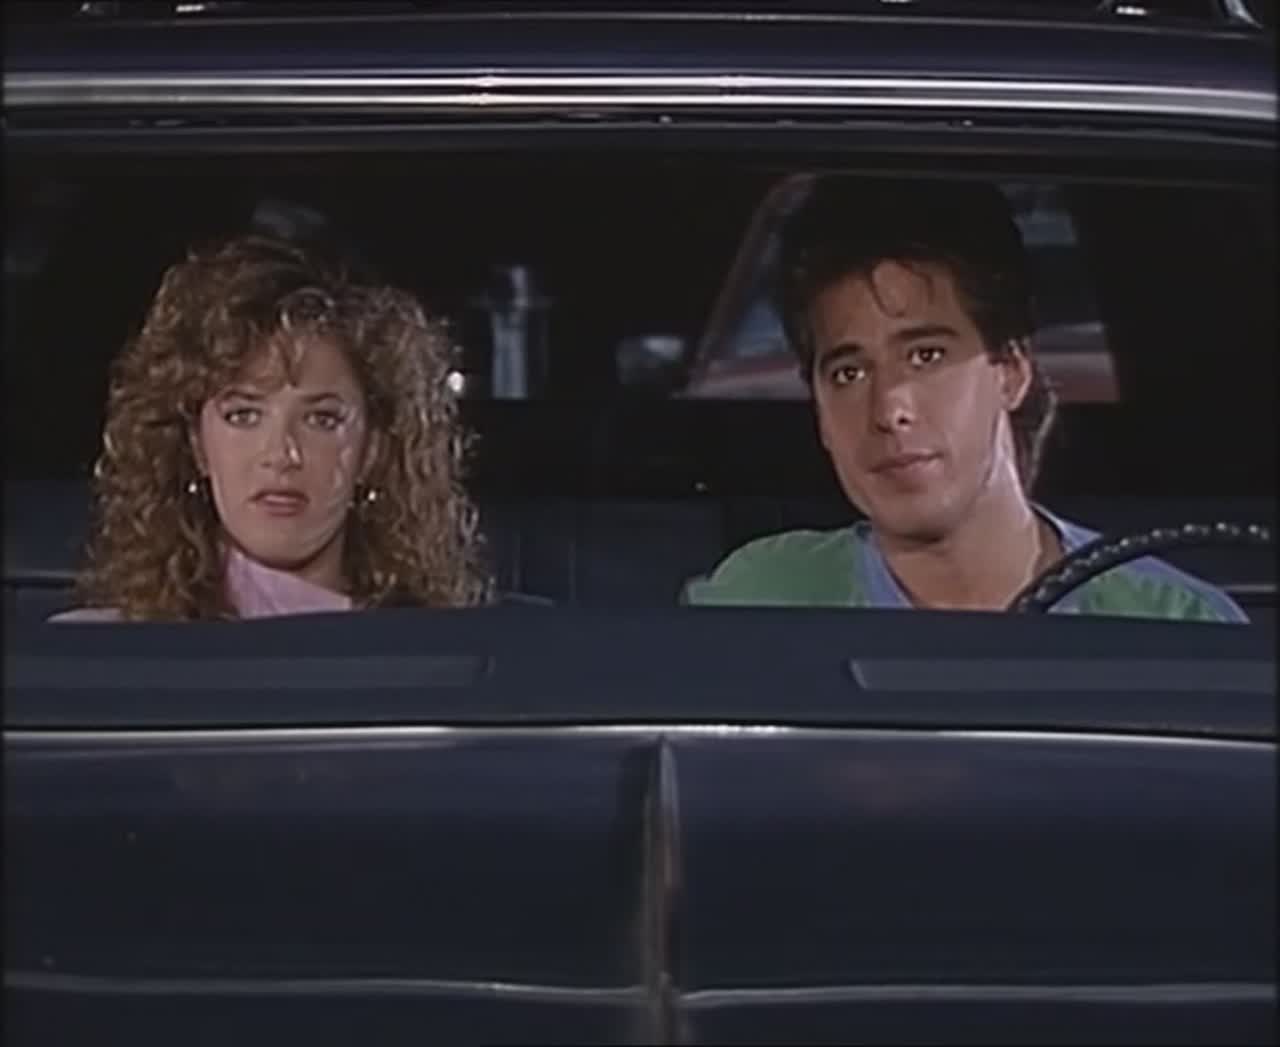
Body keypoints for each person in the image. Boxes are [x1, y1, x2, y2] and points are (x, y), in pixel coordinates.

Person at [685, 177, 1246, 621]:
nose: (890, 410)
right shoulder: (760, 602)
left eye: (926, 355)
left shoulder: (1171, 625)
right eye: (849, 372)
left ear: (1011, 370)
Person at [56, 234, 490, 622]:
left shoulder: (436, 651)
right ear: (196, 446)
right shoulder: (100, 651)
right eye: (243, 415)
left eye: (322, 420)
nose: (282, 455)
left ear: (372, 452)